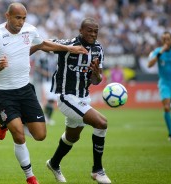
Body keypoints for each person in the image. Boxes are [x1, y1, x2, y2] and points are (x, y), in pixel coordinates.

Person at [0, 3, 87, 184]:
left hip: (25, 90)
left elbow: (43, 44)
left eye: (24, 18)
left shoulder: (30, 30)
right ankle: (30, 177)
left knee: (40, 135)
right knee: (19, 135)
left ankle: (6, 124)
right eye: (18, 18)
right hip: (3, 93)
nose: (21, 22)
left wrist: (70, 49)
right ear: (7, 16)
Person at [31, 17, 111, 184]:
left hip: (83, 98)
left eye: (96, 31)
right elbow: (44, 44)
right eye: (89, 30)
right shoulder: (68, 44)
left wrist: (96, 73)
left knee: (72, 137)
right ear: (80, 30)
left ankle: (53, 163)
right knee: (102, 123)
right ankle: (97, 170)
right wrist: (27, 50)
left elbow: (97, 80)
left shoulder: (98, 49)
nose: (93, 34)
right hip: (66, 96)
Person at [148, 31, 171, 141]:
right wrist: (160, 53)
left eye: (168, 39)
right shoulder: (158, 51)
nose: (166, 41)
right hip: (164, 83)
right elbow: (149, 65)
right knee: (166, 107)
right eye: (164, 39)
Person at [33, 52, 57, 125]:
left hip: (53, 81)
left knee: (52, 100)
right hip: (44, 81)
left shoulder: (55, 56)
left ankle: (47, 118)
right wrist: (45, 73)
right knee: (45, 100)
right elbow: (37, 67)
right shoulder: (42, 56)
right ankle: (43, 118)